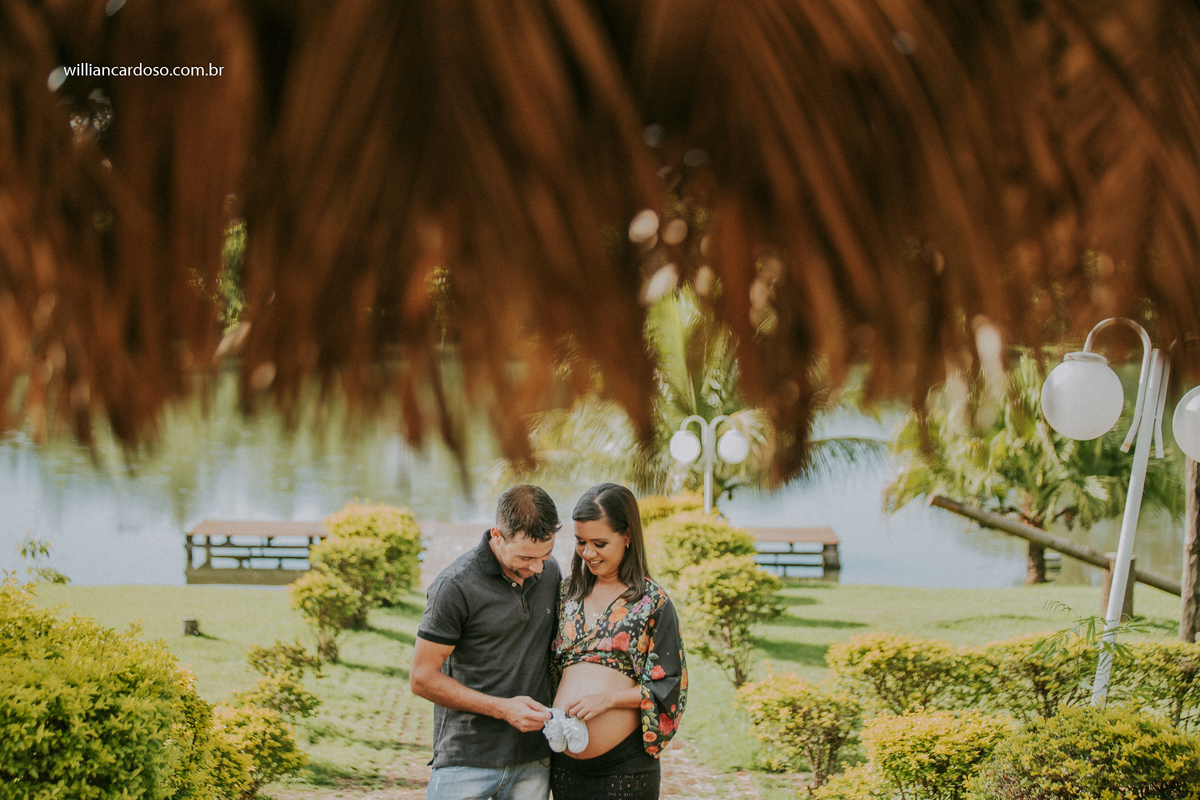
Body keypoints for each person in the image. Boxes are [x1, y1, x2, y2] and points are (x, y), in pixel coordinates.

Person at [410, 484, 562, 800]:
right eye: (525, 556)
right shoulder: (454, 586)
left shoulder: (551, 572)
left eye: (544, 555)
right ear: (496, 535)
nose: (536, 567)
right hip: (465, 760)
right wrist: (503, 709)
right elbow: (422, 678)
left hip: (533, 758)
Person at [548, 483, 688, 800]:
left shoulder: (653, 603)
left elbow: (669, 684)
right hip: (566, 770)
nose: (588, 553)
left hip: (625, 769)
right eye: (581, 542)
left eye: (600, 543)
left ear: (627, 536)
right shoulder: (567, 592)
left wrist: (607, 700)